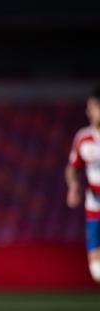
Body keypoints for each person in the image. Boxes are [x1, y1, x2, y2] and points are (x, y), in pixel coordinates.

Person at [66, 85, 100, 284]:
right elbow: (72, 167)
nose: (89, 112)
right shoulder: (83, 138)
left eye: (94, 107)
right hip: (95, 206)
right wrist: (73, 186)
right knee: (96, 270)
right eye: (89, 107)